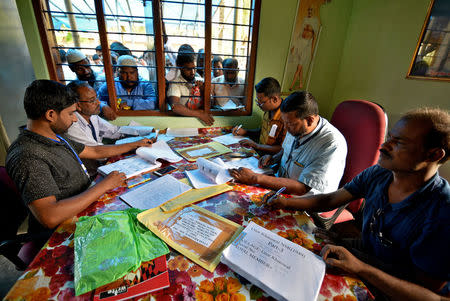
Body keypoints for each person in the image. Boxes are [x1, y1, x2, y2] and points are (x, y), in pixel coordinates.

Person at [267, 107, 450, 300]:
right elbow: (330, 199)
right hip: (365, 260)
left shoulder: (441, 212)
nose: (384, 146)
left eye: (399, 143)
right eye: (389, 137)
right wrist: (287, 203)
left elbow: (430, 295)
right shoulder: (378, 174)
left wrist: (361, 267)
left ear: (434, 155)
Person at [6, 80, 154, 237]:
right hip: (63, 231)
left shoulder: (55, 137)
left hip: (86, 204)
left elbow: (95, 151)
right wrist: (104, 185)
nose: (75, 119)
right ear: (50, 115)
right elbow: (50, 216)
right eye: (71, 114)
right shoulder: (28, 156)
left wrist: (134, 144)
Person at [230, 91, 347, 195]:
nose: (286, 128)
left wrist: (255, 178)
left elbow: (303, 188)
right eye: (284, 122)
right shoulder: (296, 128)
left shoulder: (331, 144)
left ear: (310, 120)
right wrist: (273, 158)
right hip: (280, 186)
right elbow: (286, 151)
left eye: (290, 124)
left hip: (304, 202)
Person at [231, 77, 286, 155]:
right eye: (258, 100)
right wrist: (245, 131)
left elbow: (283, 149)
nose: (259, 105)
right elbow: (263, 132)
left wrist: (257, 145)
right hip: (261, 153)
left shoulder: (286, 118)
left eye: (261, 102)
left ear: (274, 99)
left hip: (271, 159)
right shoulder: (267, 111)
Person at [66, 81, 123, 146]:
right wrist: (131, 145)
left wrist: (137, 131)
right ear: (78, 105)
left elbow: (115, 131)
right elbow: (95, 150)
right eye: (92, 100)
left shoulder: (92, 116)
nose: (98, 103)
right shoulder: (72, 126)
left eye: (97, 97)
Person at [66, 49, 117, 120]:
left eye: (87, 66)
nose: (86, 71)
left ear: (89, 61)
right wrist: (102, 106)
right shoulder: (73, 88)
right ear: (72, 69)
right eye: (80, 69)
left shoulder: (104, 79)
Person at [167, 52, 214, 125]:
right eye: (188, 69)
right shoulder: (175, 84)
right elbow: (175, 107)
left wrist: (203, 90)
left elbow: (210, 105)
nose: (192, 72)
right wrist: (200, 114)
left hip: (201, 125)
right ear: (180, 67)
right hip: (184, 124)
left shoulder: (200, 81)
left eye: (194, 68)